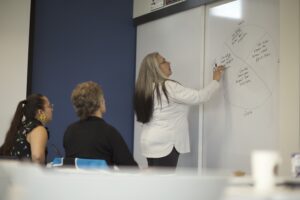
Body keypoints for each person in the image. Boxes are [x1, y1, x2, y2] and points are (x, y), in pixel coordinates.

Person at [134, 52, 224, 169]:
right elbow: (200, 97)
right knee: (165, 183)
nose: (169, 62)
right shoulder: (168, 86)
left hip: (149, 142)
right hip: (165, 144)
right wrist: (215, 80)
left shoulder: (146, 89)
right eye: (164, 61)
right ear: (156, 69)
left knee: (156, 183)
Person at [63, 81, 138, 168]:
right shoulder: (109, 133)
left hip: (75, 181)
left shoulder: (69, 132)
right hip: (102, 181)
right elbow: (131, 168)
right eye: (103, 98)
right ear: (100, 102)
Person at [0, 94, 53, 165]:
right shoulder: (38, 129)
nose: (52, 109)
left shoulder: (21, 127)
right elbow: (38, 157)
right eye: (49, 106)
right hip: (28, 175)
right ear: (40, 112)